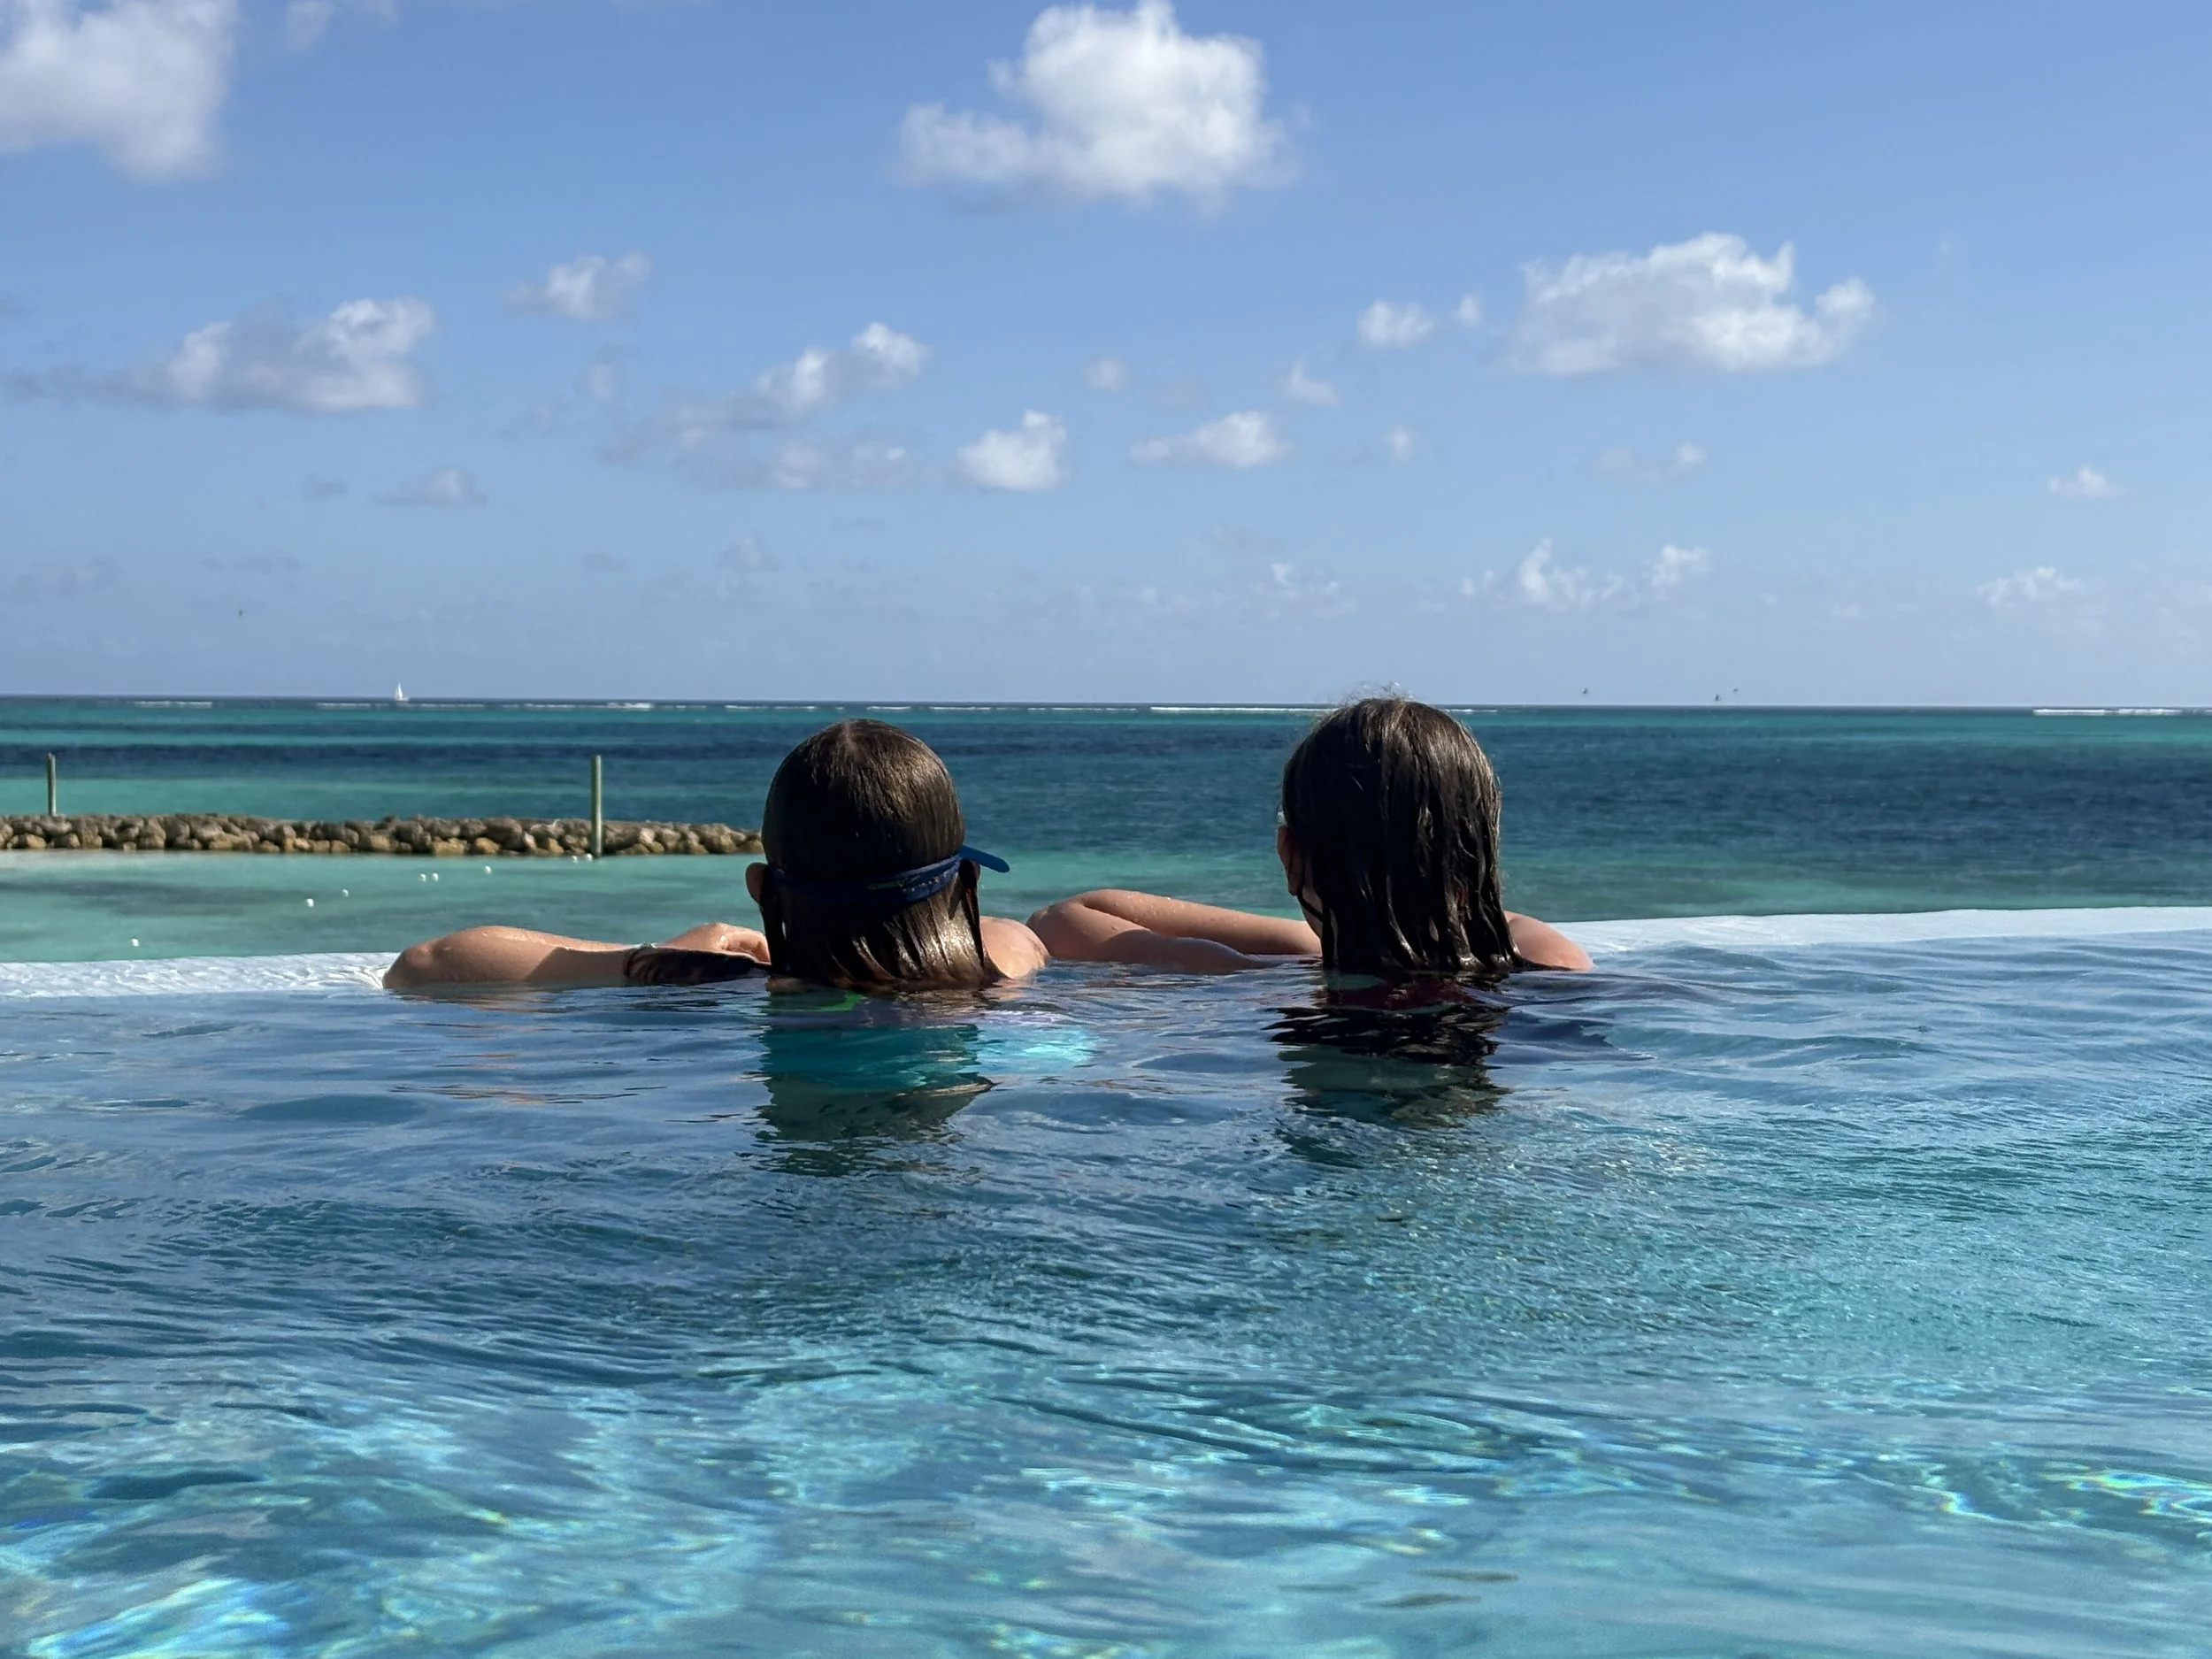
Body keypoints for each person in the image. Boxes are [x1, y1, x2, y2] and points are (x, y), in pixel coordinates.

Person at [384, 719, 1046, 990]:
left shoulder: (716, 988)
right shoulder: (1008, 967)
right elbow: (1052, 925)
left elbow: (423, 965)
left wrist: (652, 959)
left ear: (761, 888)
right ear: (965, 884)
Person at [1028, 697, 1590, 976]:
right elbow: (1491, 925)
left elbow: (1065, 918)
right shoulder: (1543, 960)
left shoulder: (1255, 983)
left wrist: (1274, 953)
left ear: (1288, 852)